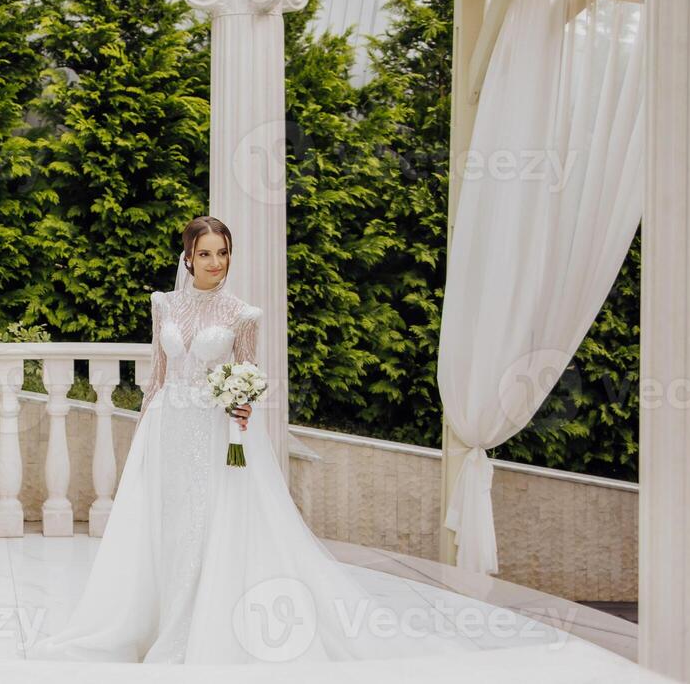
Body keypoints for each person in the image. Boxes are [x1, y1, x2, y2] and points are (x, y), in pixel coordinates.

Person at [27, 216, 472, 664]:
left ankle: (197, 626)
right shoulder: (163, 305)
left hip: (213, 432)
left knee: (207, 524)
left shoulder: (242, 314)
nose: (215, 262)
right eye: (205, 253)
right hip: (166, 429)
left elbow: (248, 375)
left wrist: (244, 403)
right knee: (165, 523)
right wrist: (144, 432)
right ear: (188, 257)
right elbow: (158, 375)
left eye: (222, 253)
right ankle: (149, 620)